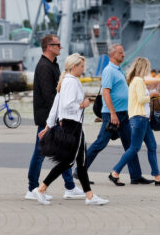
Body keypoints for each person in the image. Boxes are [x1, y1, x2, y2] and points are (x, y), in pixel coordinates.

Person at [34, 54, 108, 206]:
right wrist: (83, 104)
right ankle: (41, 188)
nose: (83, 69)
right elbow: (67, 104)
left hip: (70, 125)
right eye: (81, 66)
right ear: (74, 67)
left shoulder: (66, 81)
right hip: (73, 126)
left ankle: (89, 196)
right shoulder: (72, 82)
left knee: (80, 162)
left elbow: (56, 104)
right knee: (69, 162)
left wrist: (48, 125)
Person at [85, 44, 153, 185]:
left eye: (123, 52)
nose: (123, 55)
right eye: (121, 53)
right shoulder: (109, 71)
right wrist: (112, 113)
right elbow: (105, 93)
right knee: (100, 143)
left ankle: (135, 176)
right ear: (113, 54)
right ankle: (80, 170)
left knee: (131, 145)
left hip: (124, 114)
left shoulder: (119, 70)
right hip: (113, 115)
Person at [27, 35, 84, 201]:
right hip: (47, 117)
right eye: (57, 45)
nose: (60, 47)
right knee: (40, 152)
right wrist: (57, 118)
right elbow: (49, 95)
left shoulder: (52, 64)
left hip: (53, 116)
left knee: (64, 150)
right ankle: (32, 188)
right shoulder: (44, 67)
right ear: (48, 47)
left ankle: (70, 186)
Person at [109, 57, 160, 186]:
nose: (148, 70)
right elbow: (142, 100)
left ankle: (157, 177)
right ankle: (115, 172)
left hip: (143, 119)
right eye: (147, 67)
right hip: (139, 119)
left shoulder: (135, 81)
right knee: (134, 148)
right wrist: (153, 94)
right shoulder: (138, 81)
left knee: (152, 146)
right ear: (143, 67)